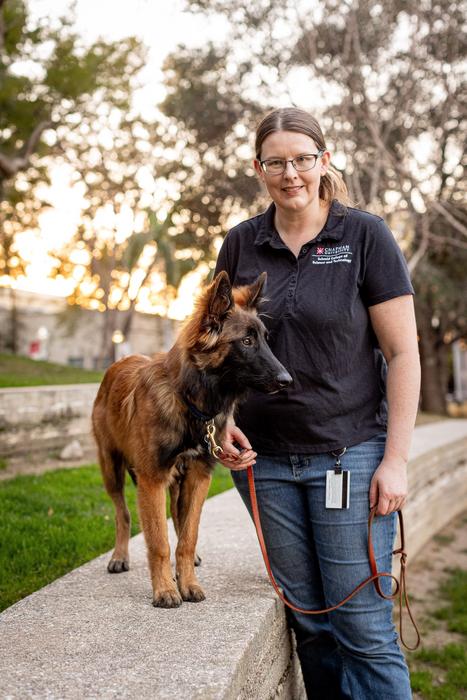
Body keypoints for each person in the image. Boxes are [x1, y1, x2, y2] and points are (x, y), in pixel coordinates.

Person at [214, 107, 420, 699]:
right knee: (311, 626)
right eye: (275, 162)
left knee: (362, 627)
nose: (290, 173)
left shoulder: (364, 236)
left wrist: (397, 459)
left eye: (302, 159)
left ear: (323, 161)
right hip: (266, 465)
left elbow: (403, 355)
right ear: (258, 169)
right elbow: (218, 347)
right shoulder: (241, 243)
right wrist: (222, 421)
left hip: (349, 457)